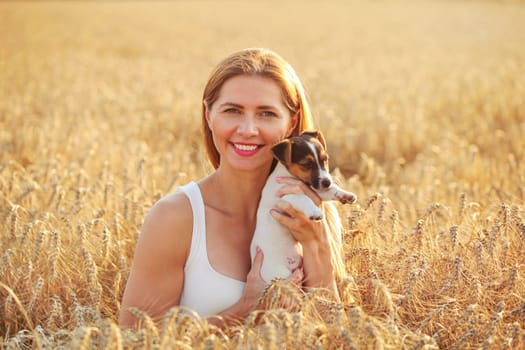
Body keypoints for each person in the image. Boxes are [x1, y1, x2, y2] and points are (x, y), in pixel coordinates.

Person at [118, 48, 347, 329]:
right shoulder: (176, 219)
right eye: (232, 111)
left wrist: (316, 244)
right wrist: (243, 310)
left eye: (266, 114)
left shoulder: (316, 215)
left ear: (292, 123)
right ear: (209, 114)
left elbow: (335, 337)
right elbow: (133, 340)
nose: (248, 129)